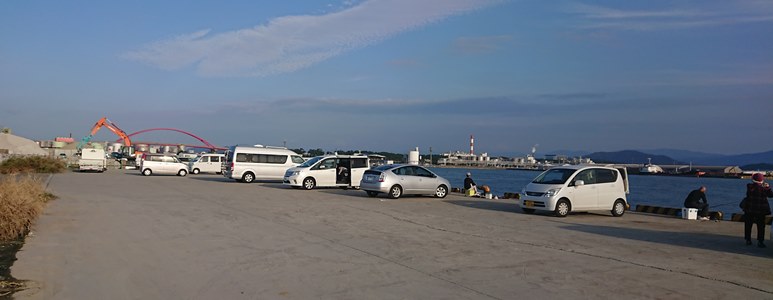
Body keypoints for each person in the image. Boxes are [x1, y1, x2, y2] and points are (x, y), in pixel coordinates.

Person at [742, 173, 773, 248]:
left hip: (749, 209)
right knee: (761, 226)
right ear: (762, 180)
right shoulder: (764, 188)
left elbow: (751, 189)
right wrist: (768, 187)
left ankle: (748, 240)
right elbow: (771, 195)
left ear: (753, 180)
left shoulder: (749, 187)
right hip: (761, 211)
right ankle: (760, 241)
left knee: (748, 225)